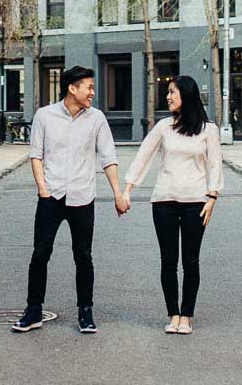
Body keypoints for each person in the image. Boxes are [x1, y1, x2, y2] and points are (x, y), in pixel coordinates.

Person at [12, 66, 124, 335]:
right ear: (72, 88)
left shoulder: (96, 119)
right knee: (40, 254)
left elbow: (108, 157)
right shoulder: (45, 116)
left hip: (83, 196)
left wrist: (118, 194)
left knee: (83, 256)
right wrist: (42, 189)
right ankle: (34, 310)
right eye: (88, 87)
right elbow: (36, 154)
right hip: (51, 196)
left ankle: (85, 311)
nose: (92, 93)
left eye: (92, 87)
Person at [119, 74, 223, 335]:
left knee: (190, 261)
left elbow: (215, 163)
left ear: (186, 95)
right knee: (168, 260)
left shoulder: (208, 129)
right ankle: (173, 314)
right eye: (168, 91)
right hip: (163, 201)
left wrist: (213, 197)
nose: (168, 96)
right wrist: (128, 188)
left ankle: (186, 315)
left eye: (173, 92)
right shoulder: (164, 126)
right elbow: (144, 154)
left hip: (195, 202)